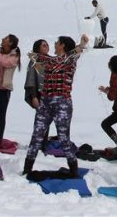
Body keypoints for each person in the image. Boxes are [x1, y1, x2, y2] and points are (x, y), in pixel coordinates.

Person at [23, 33, 89, 176]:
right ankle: (27, 169)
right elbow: (48, 62)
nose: (54, 44)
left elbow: (68, 57)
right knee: (36, 136)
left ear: (62, 45)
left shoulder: (69, 60)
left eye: (57, 42)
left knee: (64, 139)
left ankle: (73, 169)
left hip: (62, 104)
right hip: (45, 102)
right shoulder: (49, 60)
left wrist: (82, 45)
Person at [99, 55, 117, 152]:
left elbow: (112, 96)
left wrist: (108, 92)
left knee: (105, 124)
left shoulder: (116, 76)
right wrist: (108, 90)